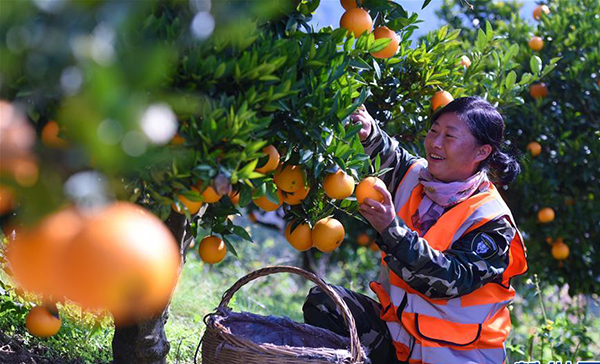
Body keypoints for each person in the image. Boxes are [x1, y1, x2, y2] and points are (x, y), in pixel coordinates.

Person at [303, 97, 528, 364]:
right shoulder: (417, 176)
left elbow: (449, 279)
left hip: (457, 354)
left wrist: (391, 230)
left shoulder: (492, 220)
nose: (435, 143)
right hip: (401, 339)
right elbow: (392, 156)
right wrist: (367, 131)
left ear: (481, 152)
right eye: (434, 130)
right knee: (325, 303)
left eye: (449, 136)